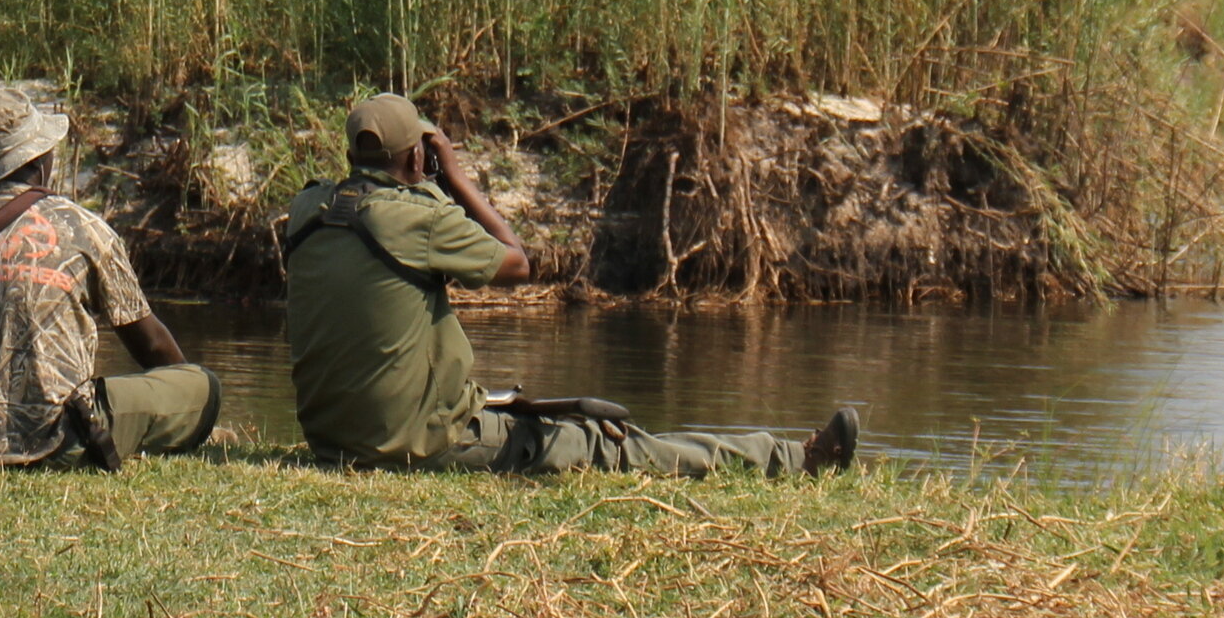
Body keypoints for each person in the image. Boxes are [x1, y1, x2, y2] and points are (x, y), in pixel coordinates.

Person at [281, 92, 859, 478]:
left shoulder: (310, 208)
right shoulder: (419, 218)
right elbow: (516, 264)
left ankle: (785, 455)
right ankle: (793, 459)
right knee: (611, 443)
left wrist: (416, 180)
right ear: (415, 156)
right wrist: (452, 176)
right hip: (414, 444)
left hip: (332, 439)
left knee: (558, 418)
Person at [0, 86, 220, 470]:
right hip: (62, 439)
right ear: (40, 159)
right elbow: (149, 343)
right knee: (202, 386)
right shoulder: (84, 228)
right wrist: (179, 374)